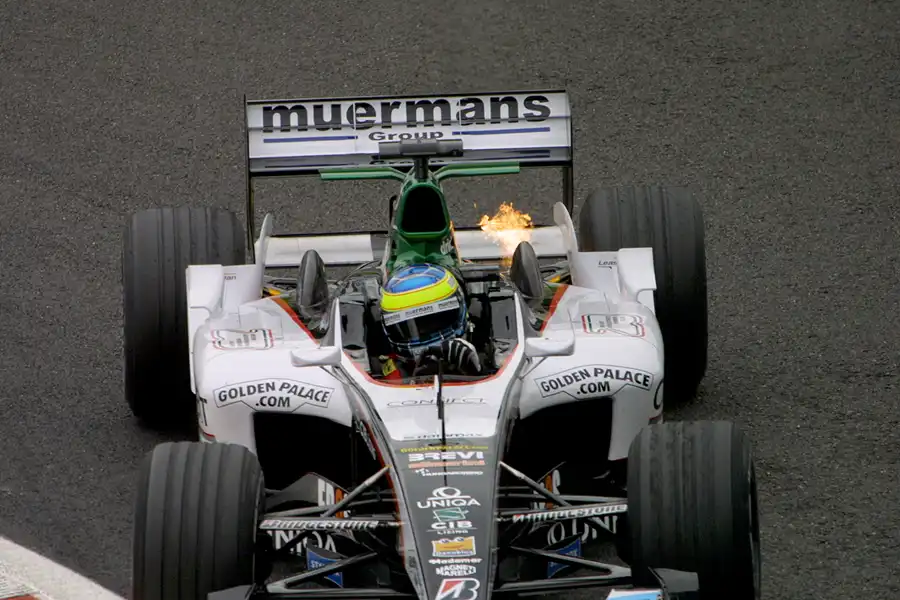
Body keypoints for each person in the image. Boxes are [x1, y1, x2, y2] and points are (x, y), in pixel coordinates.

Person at [377, 263, 482, 381]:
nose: (428, 338)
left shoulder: (490, 352)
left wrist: (475, 372)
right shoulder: (389, 375)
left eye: (436, 322)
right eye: (411, 327)